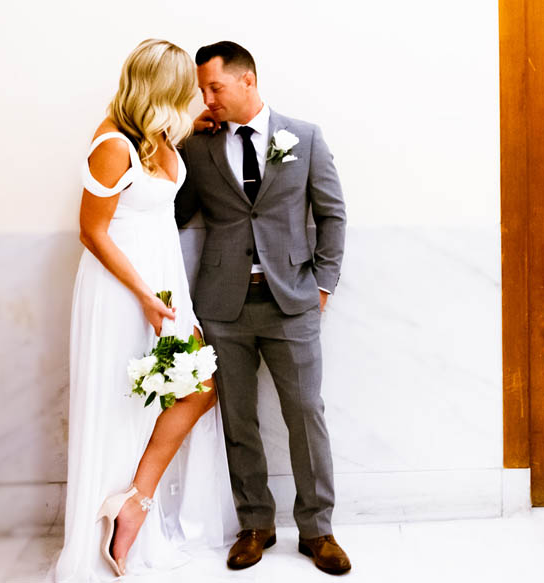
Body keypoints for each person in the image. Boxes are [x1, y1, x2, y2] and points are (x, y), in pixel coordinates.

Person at [55, 39, 237, 581]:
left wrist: (200, 125)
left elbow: (159, 182)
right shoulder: (111, 144)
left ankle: (133, 502)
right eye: (184, 91)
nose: (191, 101)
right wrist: (142, 293)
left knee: (197, 388)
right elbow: (92, 230)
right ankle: (105, 527)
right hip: (120, 292)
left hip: (162, 285)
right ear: (159, 90)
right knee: (124, 403)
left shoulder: (156, 133)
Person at [176, 40, 350, 575]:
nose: (207, 98)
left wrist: (323, 284)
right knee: (239, 420)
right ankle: (256, 524)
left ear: (247, 80)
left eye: (214, 87)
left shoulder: (305, 136)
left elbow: (332, 213)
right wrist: (177, 139)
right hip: (223, 305)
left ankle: (318, 529)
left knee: (306, 416)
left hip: (292, 301)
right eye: (202, 89)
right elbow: (175, 213)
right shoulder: (199, 148)